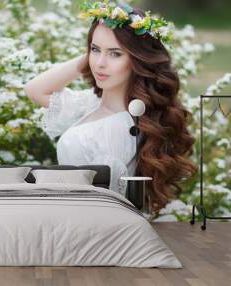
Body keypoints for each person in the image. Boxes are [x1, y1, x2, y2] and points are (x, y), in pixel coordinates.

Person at [24, 1, 197, 212]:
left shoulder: (119, 130)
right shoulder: (89, 103)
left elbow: (108, 207)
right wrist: (101, 48)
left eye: (116, 54)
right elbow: (35, 89)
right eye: (94, 50)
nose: (99, 64)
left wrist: (102, 47)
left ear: (138, 60)